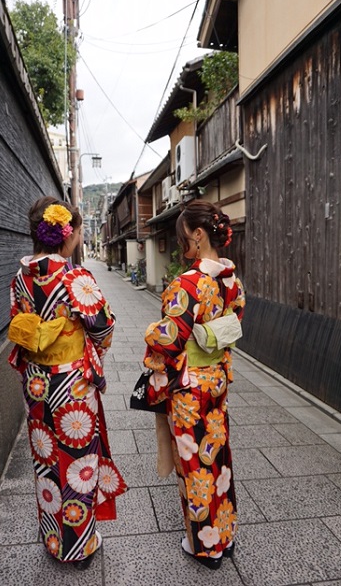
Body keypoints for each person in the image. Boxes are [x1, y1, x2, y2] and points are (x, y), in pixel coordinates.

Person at [8, 196, 127, 569]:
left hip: (37, 383)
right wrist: (91, 350)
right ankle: (79, 545)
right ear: (69, 234)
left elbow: (20, 327)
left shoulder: (20, 279)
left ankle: (53, 538)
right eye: (76, 230)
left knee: (46, 459)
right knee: (78, 460)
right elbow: (104, 327)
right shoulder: (75, 278)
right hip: (72, 383)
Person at [143, 200, 245, 570]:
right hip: (217, 379)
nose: (180, 244)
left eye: (183, 237)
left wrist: (151, 331)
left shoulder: (187, 283)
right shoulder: (231, 280)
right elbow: (234, 322)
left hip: (189, 388)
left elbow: (169, 340)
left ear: (198, 235)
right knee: (217, 457)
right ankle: (224, 534)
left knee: (195, 465)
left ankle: (205, 547)